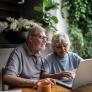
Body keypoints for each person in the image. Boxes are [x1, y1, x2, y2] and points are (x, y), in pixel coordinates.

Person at [3, 22, 54, 88]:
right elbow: (7, 78)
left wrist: (50, 78)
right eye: (41, 37)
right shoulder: (18, 52)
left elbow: (41, 76)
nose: (44, 41)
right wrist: (36, 82)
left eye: (45, 38)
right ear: (30, 38)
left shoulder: (39, 54)